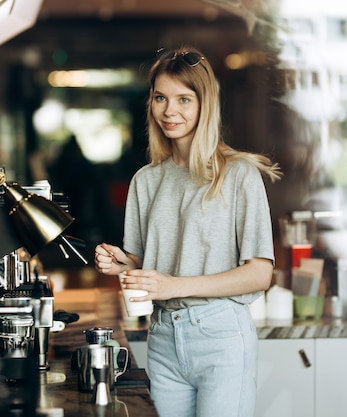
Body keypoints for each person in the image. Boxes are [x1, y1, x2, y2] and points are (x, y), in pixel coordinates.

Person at [94, 46, 282, 417]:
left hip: (221, 335)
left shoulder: (238, 174)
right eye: (161, 97)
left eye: (183, 99)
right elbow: (152, 267)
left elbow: (260, 274)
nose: (169, 110)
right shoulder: (146, 181)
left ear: (204, 104)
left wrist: (174, 285)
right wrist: (123, 265)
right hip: (163, 337)